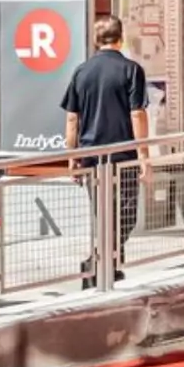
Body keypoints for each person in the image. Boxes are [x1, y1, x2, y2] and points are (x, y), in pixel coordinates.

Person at [60, 14, 150, 287]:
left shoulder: (81, 71)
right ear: (120, 38)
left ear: (96, 40)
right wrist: (145, 156)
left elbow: (72, 118)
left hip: (90, 153)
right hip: (123, 154)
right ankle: (100, 260)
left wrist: (72, 157)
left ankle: (106, 263)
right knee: (126, 214)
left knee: (103, 213)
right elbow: (137, 114)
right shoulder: (131, 70)